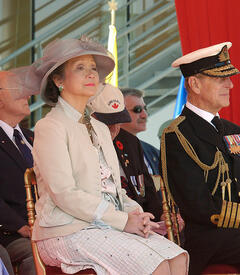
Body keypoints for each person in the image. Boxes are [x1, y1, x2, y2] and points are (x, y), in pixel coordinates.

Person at [31, 36, 189, 275]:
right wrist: (122, 220)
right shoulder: (50, 126)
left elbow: (114, 189)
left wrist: (136, 214)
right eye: (80, 68)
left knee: (177, 257)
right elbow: (65, 194)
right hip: (65, 230)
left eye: (93, 68)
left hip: (104, 225)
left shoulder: (101, 128)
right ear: (58, 80)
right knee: (156, 264)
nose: (91, 74)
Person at [161, 41, 240, 275]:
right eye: (220, 79)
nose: (230, 85)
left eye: (229, 78)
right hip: (211, 237)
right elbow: (199, 207)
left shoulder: (235, 131)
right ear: (194, 84)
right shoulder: (178, 135)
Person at [89, 84, 163, 223]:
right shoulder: (82, 141)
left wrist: (159, 218)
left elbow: (147, 190)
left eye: (118, 121)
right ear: (91, 117)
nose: (113, 128)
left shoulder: (130, 142)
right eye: (107, 121)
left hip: (137, 219)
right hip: (101, 222)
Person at [0, 69, 37, 275]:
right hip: (12, 232)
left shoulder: (34, 137)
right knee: (36, 255)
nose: (27, 95)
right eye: (18, 90)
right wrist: (20, 226)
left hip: (50, 225)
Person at [120, 87, 160, 175]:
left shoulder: (153, 152)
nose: (144, 115)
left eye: (145, 109)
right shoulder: (107, 149)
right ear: (118, 113)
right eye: (137, 110)